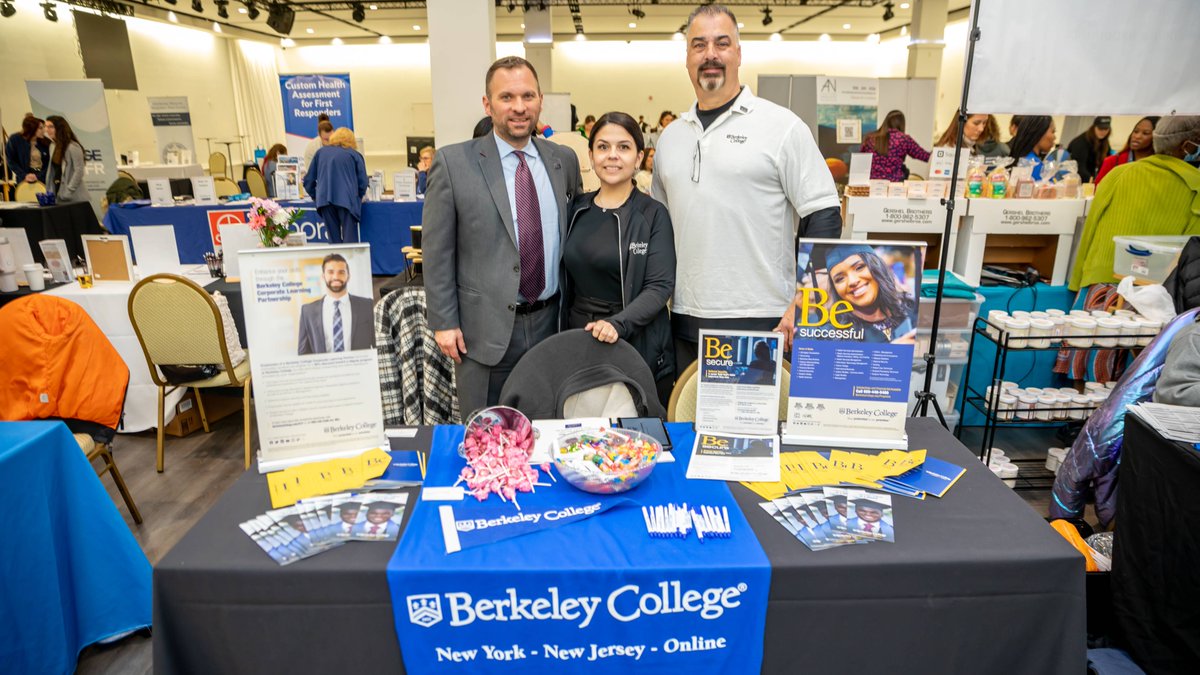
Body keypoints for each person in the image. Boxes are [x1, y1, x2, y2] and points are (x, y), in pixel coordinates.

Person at [653, 4, 841, 375]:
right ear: (687, 58)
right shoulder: (671, 138)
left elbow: (824, 216)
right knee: (691, 427)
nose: (710, 54)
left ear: (738, 53)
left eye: (722, 43)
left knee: (759, 432)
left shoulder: (782, 127)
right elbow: (661, 226)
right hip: (686, 318)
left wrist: (804, 301)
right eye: (699, 45)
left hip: (764, 319)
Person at [423, 56, 583, 415]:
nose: (519, 107)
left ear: (540, 100)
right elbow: (436, 252)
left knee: (547, 427)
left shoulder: (564, 161)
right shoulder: (453, 164)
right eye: (506, 97)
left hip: (550, 324)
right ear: (487, 104)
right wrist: (444, 322)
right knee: (485, 434)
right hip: (484, 331)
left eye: (528, 96)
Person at [1059, 116, 1200, 382]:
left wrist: (1078, 281)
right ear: (1187, 146)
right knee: (1132, 380)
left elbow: (1090, 230)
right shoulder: (1196, 185)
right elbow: (1193, 254)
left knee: (1086, 371)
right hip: (1154, 297)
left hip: (1100, 284)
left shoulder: (1119, 173)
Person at [563, 111, 676, 402]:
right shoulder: (576, 209)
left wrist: (618, 323)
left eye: (623, 147)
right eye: (603, 147)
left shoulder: (652, 214)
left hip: (633, 338)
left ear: (639, 158)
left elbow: (660, 286)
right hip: (579, 338)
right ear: (591, 156)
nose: (612, 156)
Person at [816, 244, 916, 344]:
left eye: (859, 267)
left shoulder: (911, 310)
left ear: (877, 266)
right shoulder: (831, 335)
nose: (853, 281)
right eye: (840, 279)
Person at [297, 253, 375, 355]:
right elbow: (303, 353)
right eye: (330, 272)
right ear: (323, 276)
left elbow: (376, 343)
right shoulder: (307, 311)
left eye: (341, 272)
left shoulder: (367, 306)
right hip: (323, 370)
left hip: (359, 369)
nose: (336, 277)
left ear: (348, 276)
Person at [302, 127, 367, 243]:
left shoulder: (320, 153)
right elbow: (363, 182)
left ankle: (335, 260)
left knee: (334, 241)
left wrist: (316, 197)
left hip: (325, 201)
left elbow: (308, 181)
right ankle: (349, 261)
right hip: (347, 202)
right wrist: (359, 196)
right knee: (349, 242)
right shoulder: (354, 155)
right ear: (351, 140)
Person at [859, 110, 930, 182]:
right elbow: (925, 156)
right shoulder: (904, 139)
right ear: (902, 124)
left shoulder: (870, 138)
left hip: (873, 184)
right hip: (895, 186)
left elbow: (861, 161)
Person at [1095, 116, 1159, 185]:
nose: (1137, 136)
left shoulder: (1161, 166)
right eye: (1135, 131)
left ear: (1157, 138)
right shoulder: (1112, 162)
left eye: (1145, 133)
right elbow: (1097, 190)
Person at [44, 115, 90, 204]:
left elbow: (79, 171)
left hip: (74, 196)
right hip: (58, 192)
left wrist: (69, 191)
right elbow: (53, 171)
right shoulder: (52, 146)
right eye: (46, 126)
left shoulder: (73, 146)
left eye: (51, 127)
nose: (47, 130)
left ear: (60, 128)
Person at [934, 111, 1009, 158]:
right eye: (976, 123)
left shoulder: (972, 147)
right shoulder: (947, 150)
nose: (981, 129)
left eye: (984, 123)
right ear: (962, 122)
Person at [1008, 115, 1061, 181]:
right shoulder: (1033, 164)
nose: (1054, 137)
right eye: (1053, 131)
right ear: (1039, 132)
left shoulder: (1023, 159)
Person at [5, 114, 50, 185]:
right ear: (32, 128)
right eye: (41, 128)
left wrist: (38, 176)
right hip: (24, 180)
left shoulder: (46, 142)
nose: (44, 130)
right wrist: (24, 175)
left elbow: (49, 164)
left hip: (43, 180)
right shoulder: (15, 139)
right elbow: (10, 160)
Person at [1065, 116, 1112, 183]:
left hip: (1089, 177)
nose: (1103, 132)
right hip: (1074, 180)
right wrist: (1093, 181)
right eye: (1100, 128)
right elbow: (1079, 167)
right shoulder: (1081, 142)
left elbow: (1106, 163)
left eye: (1106, 129)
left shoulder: (1104, 142)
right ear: (1094, 127)